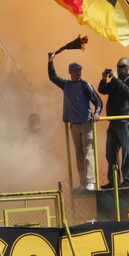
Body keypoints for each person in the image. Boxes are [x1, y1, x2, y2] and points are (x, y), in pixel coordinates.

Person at [48, 53, 102, 191]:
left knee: (88, 153)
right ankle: (83, 183)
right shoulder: (66, 84)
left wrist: (97, 114)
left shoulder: (85, 85)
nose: (78, 73)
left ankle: (90, 182)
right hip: (74, 126)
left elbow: (98, 101)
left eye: (79, 70)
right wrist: (50, 61)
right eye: (76, 70)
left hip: (87, 124)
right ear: (70, 72)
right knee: (79, 155)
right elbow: (53, 77)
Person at [98, 58, 129, 188]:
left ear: (128, 67)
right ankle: (114, 181)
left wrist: (115, 78)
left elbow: (127, 91)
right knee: (110, 152)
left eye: (121, 66)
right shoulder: (116, 81)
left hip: (125, 120)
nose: (119, 69)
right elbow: (103, 90)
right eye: (117, 67)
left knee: (127, 152)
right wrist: (104, 79)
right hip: (114, 121)